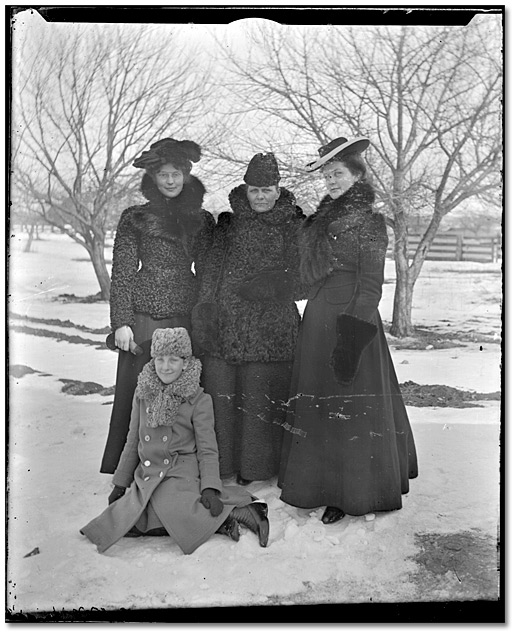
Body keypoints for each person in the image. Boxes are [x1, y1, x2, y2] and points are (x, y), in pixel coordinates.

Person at [278, 136, 418, 524]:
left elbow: (371, 286)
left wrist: (350, 341)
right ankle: (319, 484)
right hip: (318, 321)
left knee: (349, 410)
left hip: (350, 324)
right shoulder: (322, 221)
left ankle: (350, 492)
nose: (331, 182)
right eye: (326, 176)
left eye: (337, 174)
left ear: (357, 175)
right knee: (321, 408)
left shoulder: (370, 223)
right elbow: (310, 273)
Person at [81, 328, 269, 554]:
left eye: (173, 359)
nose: (166, 366)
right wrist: (120, 483)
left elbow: (208, 449)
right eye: (160, 359)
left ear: (186, 363)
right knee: (134, 520)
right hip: (150, 469)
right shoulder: (142, 394)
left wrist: (209, 487)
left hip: (180, 467)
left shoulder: (198, 400)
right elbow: (132, 441)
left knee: (168, 502)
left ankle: (240, 512)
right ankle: (217, 521)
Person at [100, 138, 215, 474]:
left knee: (182, 390)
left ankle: (179, 465)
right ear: (153, 178)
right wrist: (121, 321)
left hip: (184, 313)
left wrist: (205, 318)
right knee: (138, 392)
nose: (170, 180)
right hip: (143, 316)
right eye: (163, 174)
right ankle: (129, 465)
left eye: (176, 173)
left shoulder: (202, 220)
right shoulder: (134, 217)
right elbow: (121, 272)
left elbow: (207, 273)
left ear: (186, 175)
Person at [191, 153, 306, 485]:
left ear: (278, 188)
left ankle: (258, 469)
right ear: (246, 188)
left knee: (260, 398)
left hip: (272, 328)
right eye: (255, 189)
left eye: (267, 189)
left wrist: (273, 284)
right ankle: (224, 466)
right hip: (228, 326)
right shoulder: (228, 223)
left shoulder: (294, 224)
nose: (260, 197)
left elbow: (306, 276)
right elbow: (210, 270)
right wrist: (206, 310)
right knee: (224, 399)